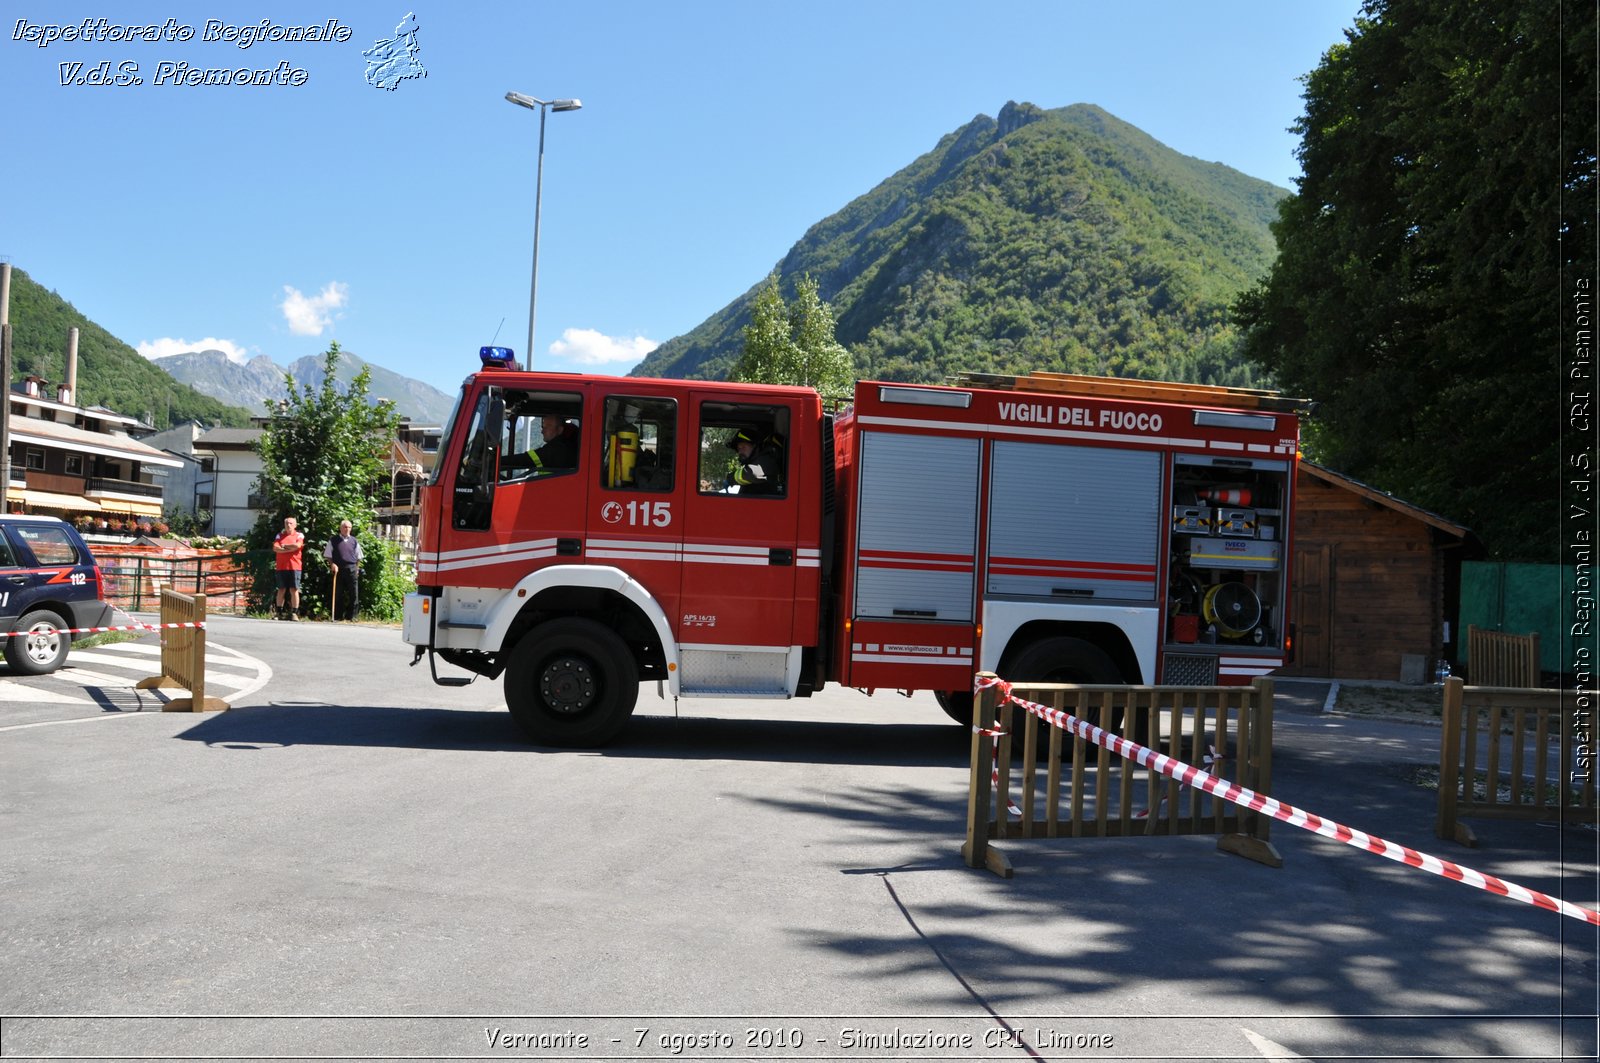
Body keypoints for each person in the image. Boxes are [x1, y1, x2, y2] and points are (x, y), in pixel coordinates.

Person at [323, 519, 363, 621]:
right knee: (338, 593)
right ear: (340, 528)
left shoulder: (354, 541)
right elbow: (328, 555)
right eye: (345, 527)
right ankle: (338, 616)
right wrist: (332, 564)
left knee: (354, 594)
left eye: (349, 527)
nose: (347, 529)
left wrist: (357, 569)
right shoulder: (333, 540)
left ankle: (352, 616)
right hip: (338, 569)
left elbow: (359, 556)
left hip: (352, 568)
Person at [726, 428, 782, 496]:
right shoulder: (755, 462)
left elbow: (753, 474)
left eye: (743, 447)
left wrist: (732, 478)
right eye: (739, 449)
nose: (740, 452)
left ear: (755, 446)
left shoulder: (767, 459)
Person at [272, 515, 305, 620]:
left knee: (294, 589)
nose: (288, 525)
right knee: (281, 589)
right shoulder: (279, 535)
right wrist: (290, 548)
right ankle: (278, 613)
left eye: (291, 523)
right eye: (286, 523)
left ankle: (294, 613)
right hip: (281, 567)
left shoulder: (299, 535)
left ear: (295, 525)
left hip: (295, 566)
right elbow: (275, 548)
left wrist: (284, 547)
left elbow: (297, 546)